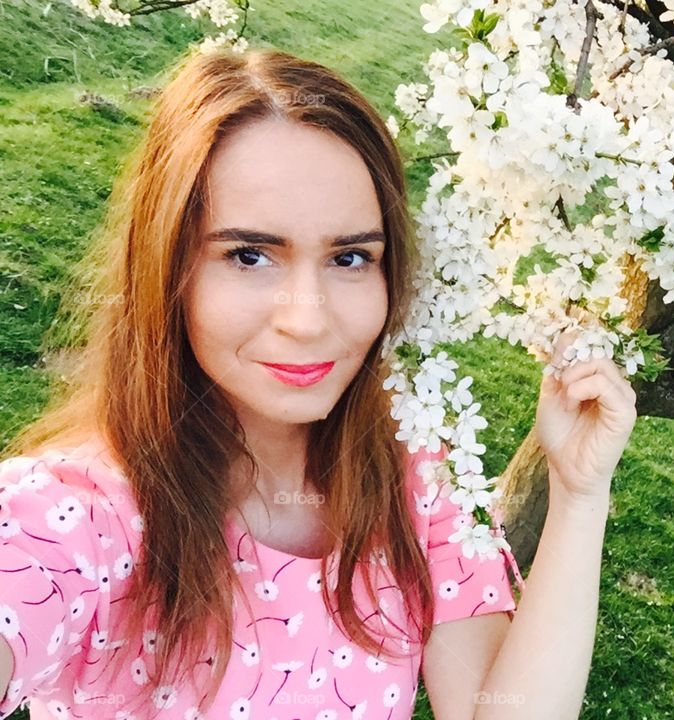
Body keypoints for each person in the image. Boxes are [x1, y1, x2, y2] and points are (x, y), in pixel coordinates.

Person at [0, 48, 637, 720]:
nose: (308, 319)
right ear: (167, 267)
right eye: (249, 255)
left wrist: (578, 496)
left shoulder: (417, 482)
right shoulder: (75, 519)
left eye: (351, 257)